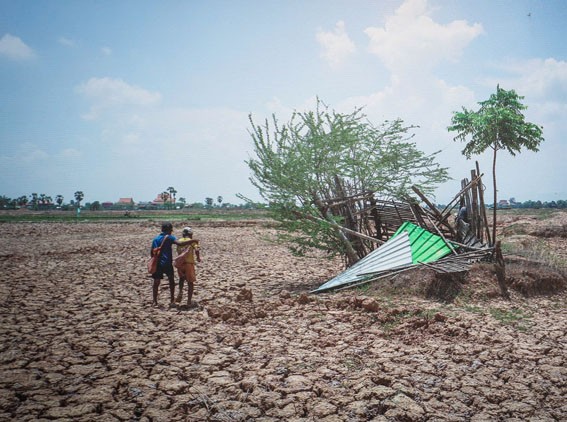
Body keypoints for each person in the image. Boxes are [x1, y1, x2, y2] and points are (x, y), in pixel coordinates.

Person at [150, 222, 197, 307]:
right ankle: (172, 300)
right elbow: (179, 243)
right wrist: (193, 240)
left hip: (158, 263)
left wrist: (154, 260)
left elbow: (151, 252)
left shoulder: (155, 239)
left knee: (156, 282)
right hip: (167, 262)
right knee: (171, 281)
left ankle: (155, 301)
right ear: (170, 230)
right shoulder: (169, 237)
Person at [175, 227, 201, 307]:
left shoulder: (179, 241)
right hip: (189, 264)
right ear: (190, 234)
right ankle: (189, 301)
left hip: (180, 264)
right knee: (190, 282)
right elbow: (197, 249)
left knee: (181, 279)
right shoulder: (192, 241)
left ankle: (180, 291)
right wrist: (198, 257)